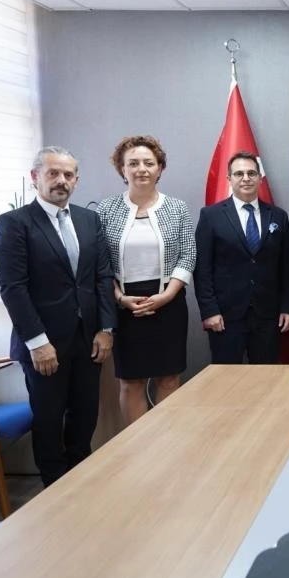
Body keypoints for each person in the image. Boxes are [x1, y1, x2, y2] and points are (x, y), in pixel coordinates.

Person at [0, 147, 115, 486]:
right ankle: (53, 491)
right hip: (44, 345)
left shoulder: (89, 220)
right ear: (35, 177)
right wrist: (37, 343)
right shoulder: (15, 224)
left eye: (68, 175)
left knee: (85, 416)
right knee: (48, 421)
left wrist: (106, 328)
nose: (61, 181)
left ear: (76, 180)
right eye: (53, 173)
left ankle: (81, 483)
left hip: (88, 340)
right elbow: (13, 288)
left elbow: (103, 276)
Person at [96, 135, 195, 425]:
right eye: (133, 163)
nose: (142, 169)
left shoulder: (177, 208)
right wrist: (119, 298)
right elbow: (100, 263)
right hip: (125, 304)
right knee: (131, 382)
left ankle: (165, 442)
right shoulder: (106, 209)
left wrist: (167, 295)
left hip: (168, 301)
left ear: (160, 168)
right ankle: (137, 445)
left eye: (149, 163)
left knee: (169, 379)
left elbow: (188, 255)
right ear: (122, 169)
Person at [194, 152, 289, 363]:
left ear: (260, 178)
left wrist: (288, 307)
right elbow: (202, 269)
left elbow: (287, 268)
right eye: (239, 174)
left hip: (268, 316)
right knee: (226, 377)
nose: (246, 178)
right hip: (225, 317)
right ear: (229, 179)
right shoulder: (211, 216)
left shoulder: (278, 216)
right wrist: (209, 311)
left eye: (251, 173)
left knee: (266, 377)